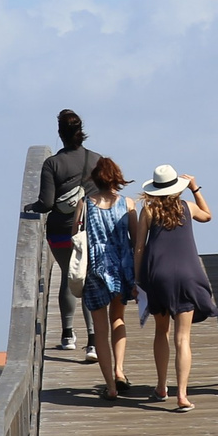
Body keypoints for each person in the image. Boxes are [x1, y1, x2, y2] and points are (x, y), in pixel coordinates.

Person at [133, 165, 216, 410]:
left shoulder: (147, 211)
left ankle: (161, 386)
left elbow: (139, 248)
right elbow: (208, 215)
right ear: (176, 188)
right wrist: (195, 189)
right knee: (183, 338)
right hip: (189, 275)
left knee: (162, 332)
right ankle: (182, 395)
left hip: (158, 276)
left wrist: (138, 281)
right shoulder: (187, 208)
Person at [28, 109, 97, 358]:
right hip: (88, 231)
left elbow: (46, 204)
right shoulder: (97, 160)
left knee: (69, 276)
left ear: (60, 133)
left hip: (59, 231)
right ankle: (93, 340)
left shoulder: (53, 164)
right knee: (88, 279)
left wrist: (31, 207)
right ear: (81, 132)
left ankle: (68, 335)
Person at [80, 157, 138, 401]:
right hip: (121, 269)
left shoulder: (85, 204)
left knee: (100, 329)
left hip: (95, 269)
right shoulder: (127, 203)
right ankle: (120, 371)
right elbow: (136, 241)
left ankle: (111, 387)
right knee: (118, 319)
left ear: (96, 178)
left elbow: (76, 235)